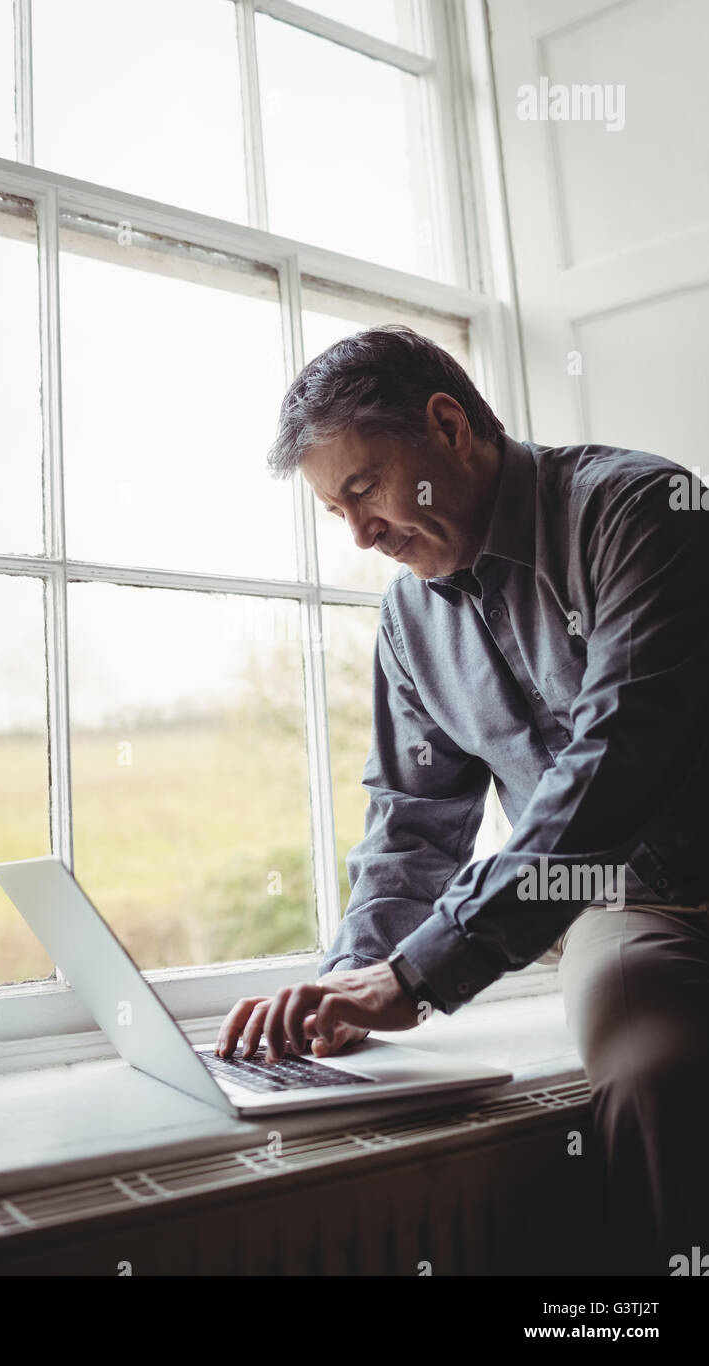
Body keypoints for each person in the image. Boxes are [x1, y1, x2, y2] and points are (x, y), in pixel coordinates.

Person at [216, 325, 709, 1275]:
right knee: (655, 1076)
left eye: (364, 489)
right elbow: (410, 820)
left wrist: (420, 974)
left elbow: (618, 761)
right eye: (335, 511)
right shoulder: (406, 623)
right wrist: (351, 984)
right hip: (635, 908)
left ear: (447, 426)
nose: (359, 534)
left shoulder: (643, 509)